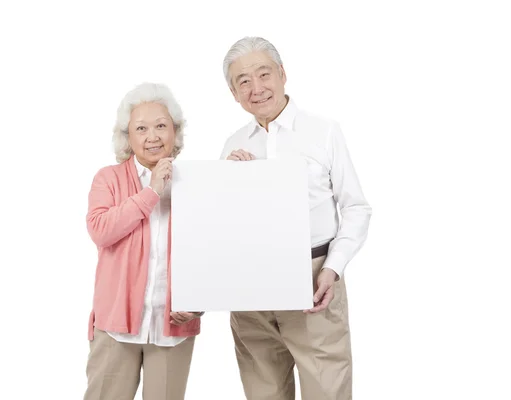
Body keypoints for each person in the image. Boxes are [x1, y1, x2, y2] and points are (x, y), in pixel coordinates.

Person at [220, 37, 372, 400]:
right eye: (243, 81)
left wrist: (332, 269)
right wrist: (227, 182)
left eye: (263, 74)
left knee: (327, 389)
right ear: (233, 92)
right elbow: (222, 224)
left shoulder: (323, 131)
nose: (256, 89)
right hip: (250, 288)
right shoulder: (232, 144)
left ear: (283, 74)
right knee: (263, 390)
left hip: (313, 278)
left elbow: (356, 208)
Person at [83, 82, 202, 400]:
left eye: (162, 126)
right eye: (142, 128)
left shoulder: (196, 181)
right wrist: (151, 193)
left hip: (172, 328)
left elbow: (213, 252)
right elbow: (101, 230)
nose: (153, 136)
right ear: (127, 136)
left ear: (175, 132)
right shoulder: (108, 178)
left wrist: (199, 304)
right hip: (115, 326)